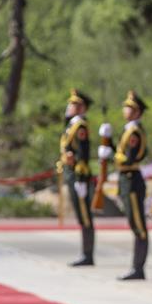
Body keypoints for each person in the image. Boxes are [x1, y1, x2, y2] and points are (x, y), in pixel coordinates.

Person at [109, 90, 150, 280]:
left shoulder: (134, 131)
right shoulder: (128, 129)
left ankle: (138, 267)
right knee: (134, 224)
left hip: (132, 179)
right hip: (127, 179)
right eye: (126, 107)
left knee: (139, 225)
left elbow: (129, 158)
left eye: (130, 107)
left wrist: (111, 152)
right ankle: (136, 266)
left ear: (137, 112)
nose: (125, 110)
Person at [58, 88, 95, 267]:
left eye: (73, 104)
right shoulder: (72, 125)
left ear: (81, 108)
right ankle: (85, 253)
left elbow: (84, 153)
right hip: (72, 172)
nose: (69, 106)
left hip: (79, 174)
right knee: (81, 216)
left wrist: (80, 178)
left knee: (85, 215)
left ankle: (88, 254)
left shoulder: (80, 126)